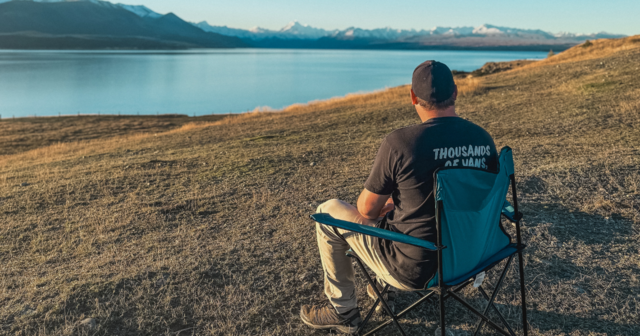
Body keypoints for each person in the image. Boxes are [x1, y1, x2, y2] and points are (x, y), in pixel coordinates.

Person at [300, 60, 499, 334]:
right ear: (455, 92)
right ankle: (380, 289)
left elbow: (367, 211)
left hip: (414, 270)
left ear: (412, 97)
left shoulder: (402, 144)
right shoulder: (483, 140)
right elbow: (478, 198)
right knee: (401, 209)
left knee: (329, 211)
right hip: (474, 257)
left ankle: (343, 311)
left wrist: (395, 202)